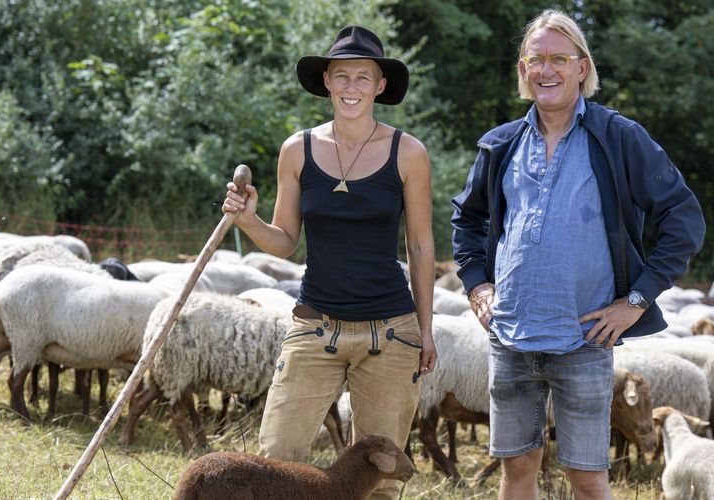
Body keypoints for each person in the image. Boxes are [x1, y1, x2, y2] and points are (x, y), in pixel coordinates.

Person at [451, 9, 705, 500]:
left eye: (559, 59)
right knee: (517, 471)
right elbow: (467, 219)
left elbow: (683, 216)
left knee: (588, 479)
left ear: (582, 68)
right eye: (535, 60)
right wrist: (478, 283)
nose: (547, 70)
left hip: (584, 339)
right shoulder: (500, 144)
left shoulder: (618, 137)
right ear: (524, 71)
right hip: (510, 336)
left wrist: (636, 300)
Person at [222, 25, 436, 500]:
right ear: (326, 83)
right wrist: (249, 219)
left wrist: (427, 330)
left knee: (378, 478)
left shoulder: (409, 153)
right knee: (276, 461)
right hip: (314, 325)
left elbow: (420, 247)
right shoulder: (297, 149)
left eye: (364, 77)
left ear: (381, 85)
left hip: (391, 332)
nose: (352, 87)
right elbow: (282, 242)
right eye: (342, 76)